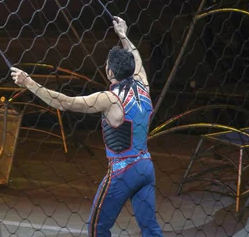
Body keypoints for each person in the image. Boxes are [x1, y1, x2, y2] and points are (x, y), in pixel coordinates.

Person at [10, 16, 163, 237]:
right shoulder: (143, 85)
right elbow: (136, 59)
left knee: (96, 229)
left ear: (110, 72)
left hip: (123, 171)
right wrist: (123, 35)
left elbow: (65, 103)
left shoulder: (109, 99)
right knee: (150, 228)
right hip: (146, 167)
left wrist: (29, 83)